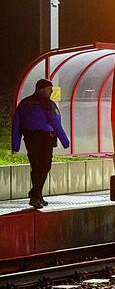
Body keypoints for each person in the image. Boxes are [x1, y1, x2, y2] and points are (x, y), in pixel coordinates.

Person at [11, 79, 70, 209]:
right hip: (44, 139)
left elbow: (16, 125)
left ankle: (38, 196)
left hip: (29, 139)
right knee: (44, 166)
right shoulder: (47, 103)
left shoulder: (24, 103)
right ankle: (35, 194)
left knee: (36, 166)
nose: (51, 92)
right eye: (50, 89)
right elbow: (56, 124)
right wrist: (65, 141)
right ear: (43, 89)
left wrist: (15, 145)